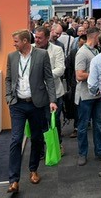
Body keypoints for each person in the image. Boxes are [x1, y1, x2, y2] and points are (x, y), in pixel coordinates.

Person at [5, 29, 57, 194]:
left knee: (36, 138)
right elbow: (8, 78)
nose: (14, 44)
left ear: (26, 41)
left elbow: (49, 78)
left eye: (16, 41)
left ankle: (33, 169)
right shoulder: (12, 57)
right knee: (16, 140)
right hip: (17, 104)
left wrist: (52, 100)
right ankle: (13, 180)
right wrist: (9, 98)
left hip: (36, 103)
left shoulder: (41, 55)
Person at [75, 27, 101, 166]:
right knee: (82, 126)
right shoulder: (82, 53)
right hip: (85, 96)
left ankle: (100, 151)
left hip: (96, 95)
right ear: (95, 36)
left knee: (99, 125)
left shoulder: (96, 51)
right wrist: (95, 74)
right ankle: (82, 153)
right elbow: (79, 75)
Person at [33, 26, 65, 155]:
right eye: (36, 37)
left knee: (54, 122)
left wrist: (44, 75)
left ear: (47, 38)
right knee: (39, 123)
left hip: (55, 92)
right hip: (37, 93)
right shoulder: (31, 49)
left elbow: (60, 69)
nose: (37, 40)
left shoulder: (57, 50)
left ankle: (57, 145)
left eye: (40, 38)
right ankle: (40, 149)